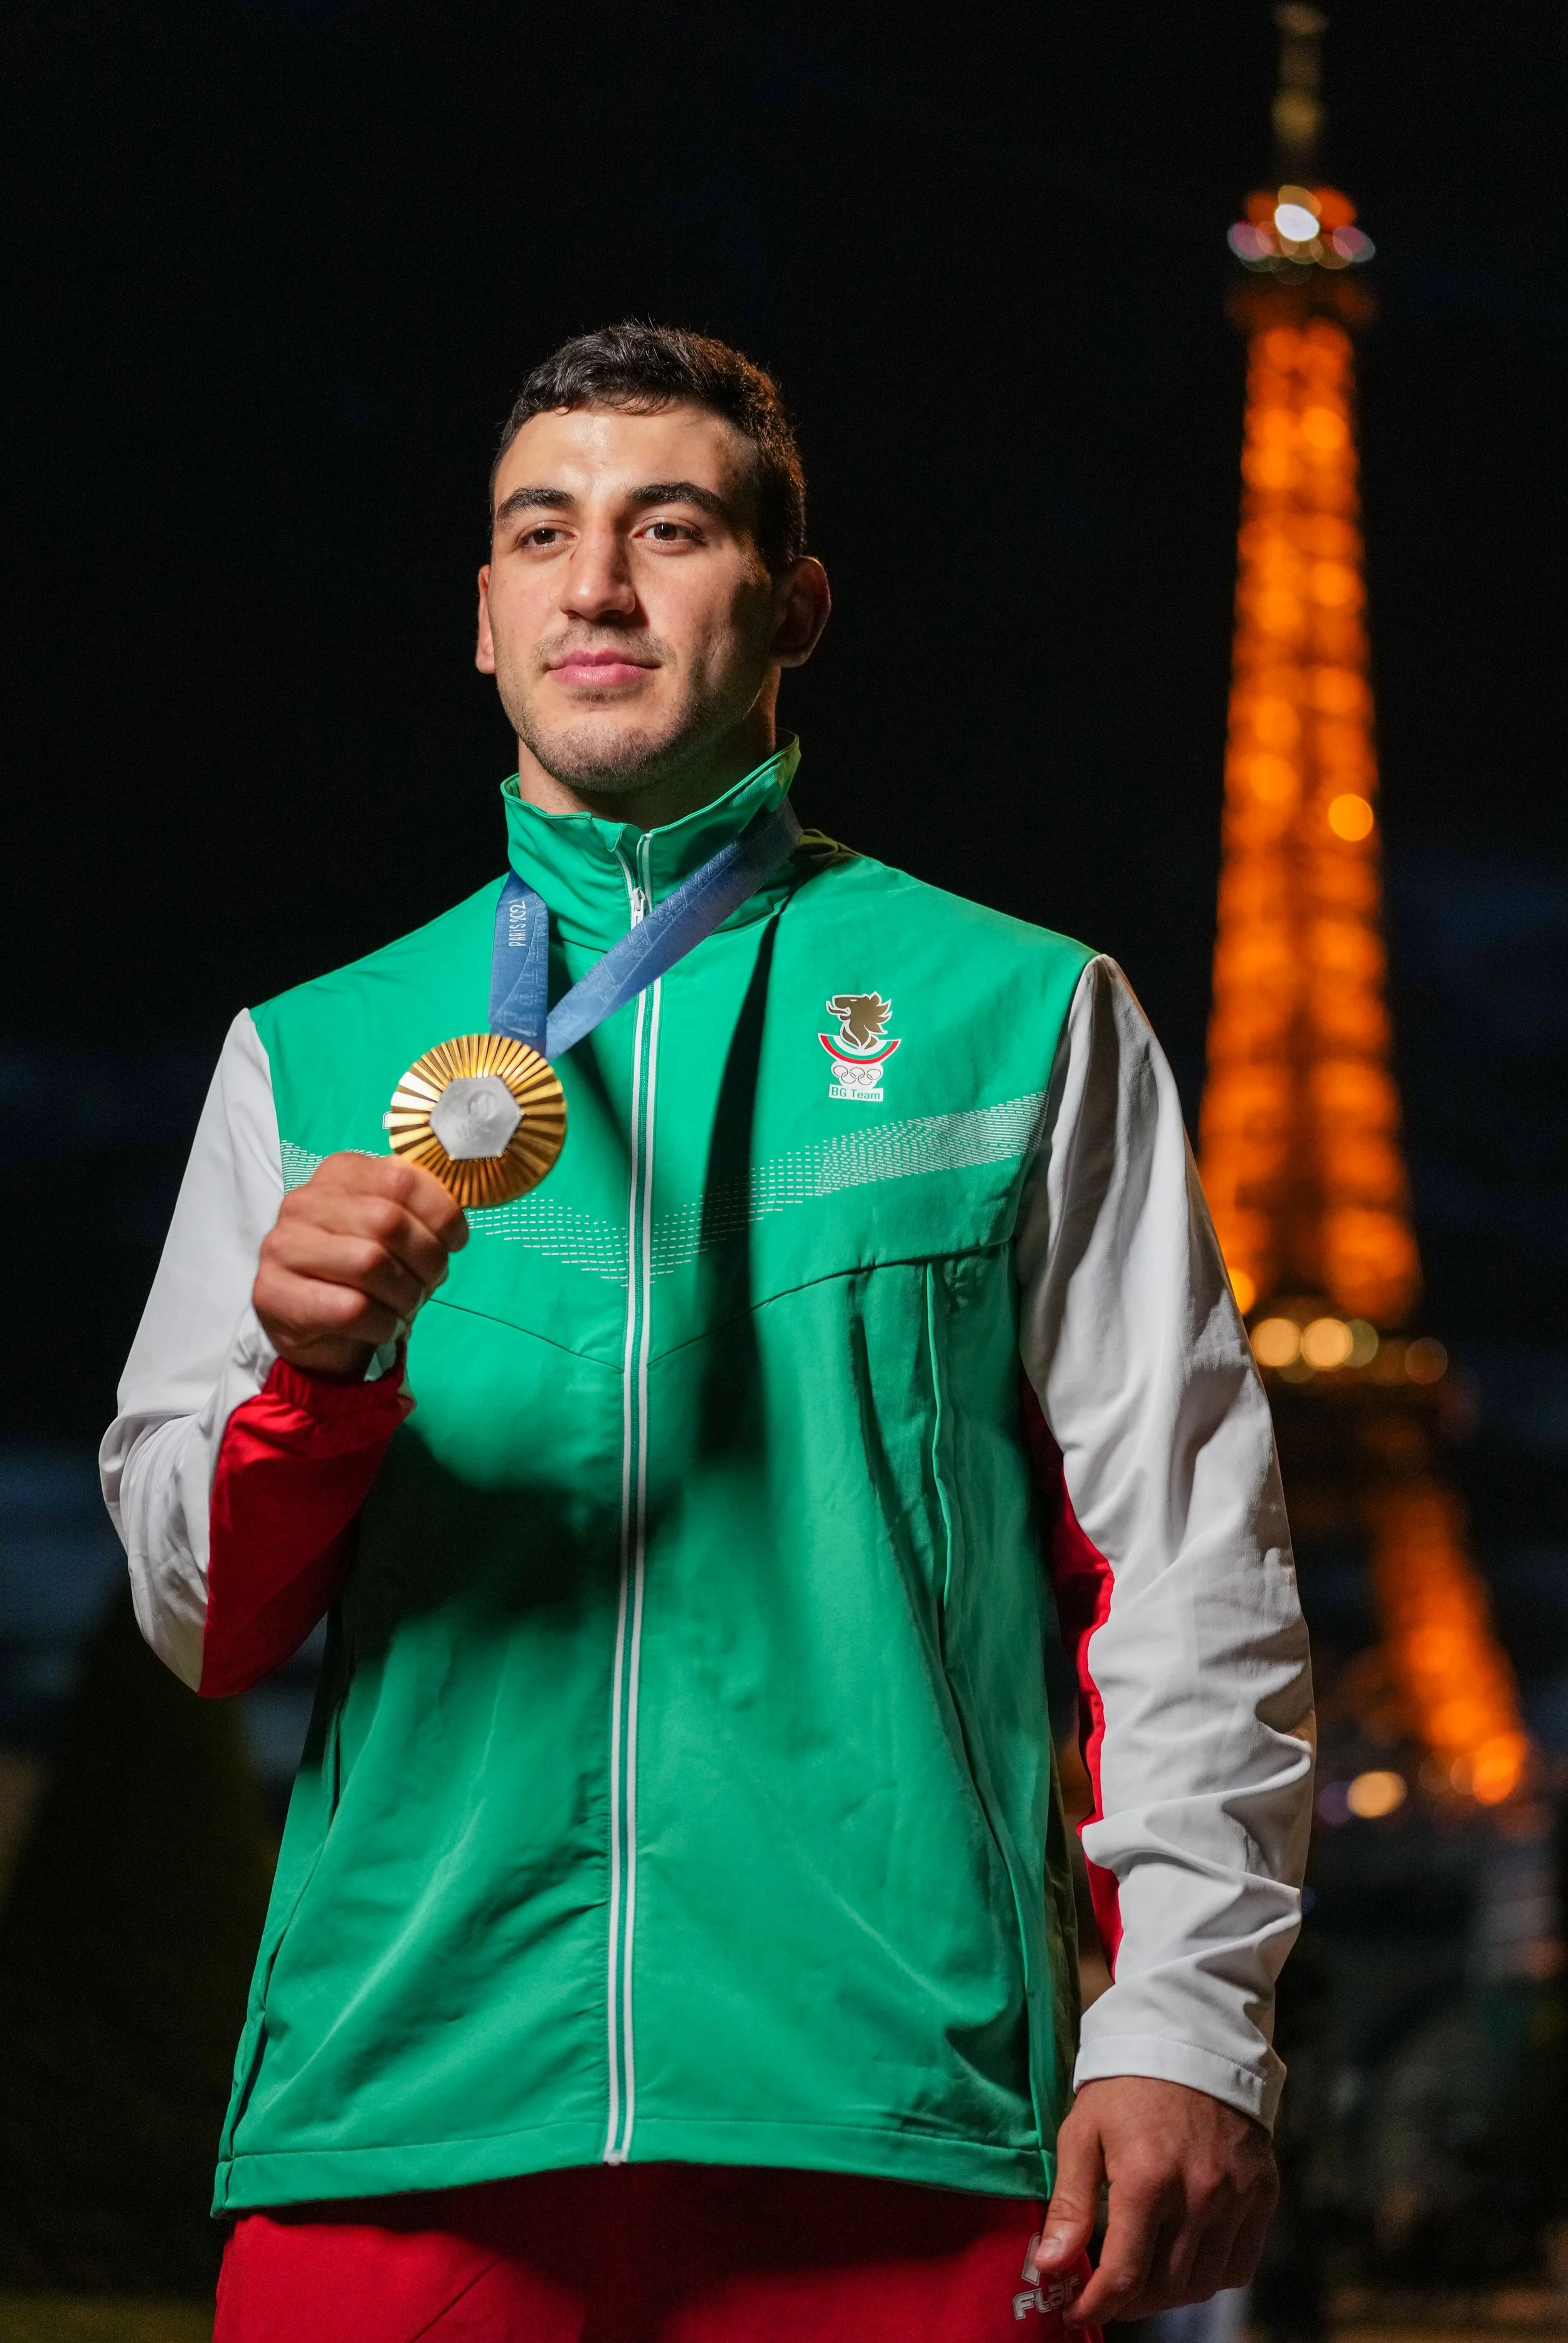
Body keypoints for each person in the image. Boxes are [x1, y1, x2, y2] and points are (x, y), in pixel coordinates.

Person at [101, 322, 1313, 2343]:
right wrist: (309, 1381)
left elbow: (1180, 1556)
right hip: (401, 2110)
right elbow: (194, 1617)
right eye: (541, 534)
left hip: (885, 2119)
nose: (595, 583)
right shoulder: (305, 1057)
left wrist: (1183, 2014)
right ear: (481, 617)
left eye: (667, 526)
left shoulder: (1020, 1014)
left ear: (792, 605)